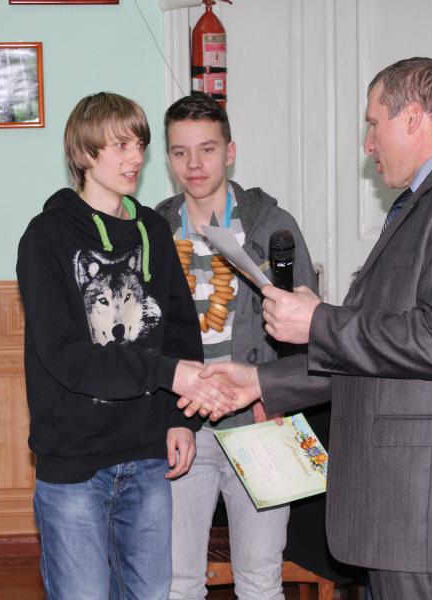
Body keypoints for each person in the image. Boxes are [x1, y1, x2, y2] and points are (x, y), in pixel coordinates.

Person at [186, 57, 432, 599]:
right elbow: (381, 351)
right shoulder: (426, 200)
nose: (368, 144)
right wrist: (262, 381)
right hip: (405, 508)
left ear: (412, 117)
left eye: (373, 124)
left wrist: (319, 320)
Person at [16, 91, 233, 600]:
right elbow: (65, 356)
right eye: (119, 146)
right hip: (74, 464)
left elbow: (180, 330)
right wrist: (165, 373)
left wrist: (181, 418)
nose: (135, 157)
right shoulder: (45, 236)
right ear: (84, 153)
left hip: (149, 456)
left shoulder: (152, 229)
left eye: (139, 144)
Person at [154, 94, 316, 600]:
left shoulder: (272, 226)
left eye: (207, 149)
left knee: (261, 579)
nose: (194, 164)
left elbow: (309, 328)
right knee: (178, 582)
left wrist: (279, 396)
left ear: (230, 152)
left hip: (261, 420)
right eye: (180, 152)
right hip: (184, 422)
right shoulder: (154, 229)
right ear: (167, 157)